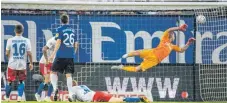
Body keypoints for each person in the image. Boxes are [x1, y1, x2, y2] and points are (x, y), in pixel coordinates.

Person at [111, 24, 195, 72]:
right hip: (152, 52)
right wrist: (179, 28)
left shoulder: (173, 46)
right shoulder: (165, 38)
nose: (172, 35)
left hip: (154, 60)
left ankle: (121, 67)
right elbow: (169, 29)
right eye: (172, 34)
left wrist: (188, 43)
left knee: (137, 69)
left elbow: (182, 50)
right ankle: (127, 55)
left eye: (173, 35)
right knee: (138, 52)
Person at [49, 13, 79, 101]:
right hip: (70, 56)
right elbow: (76, 44)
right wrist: (74, 53)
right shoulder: (73, 31)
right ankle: (70, 94)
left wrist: (52, 54)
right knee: (68, 75)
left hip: (60, 55)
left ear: (61, 21)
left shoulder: (59, 29)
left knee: (53, 72)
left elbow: (58, 42)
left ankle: (55, 89)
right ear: (68, 20)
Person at [5, 25, 33, 102]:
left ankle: (7, 98)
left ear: (14, 31)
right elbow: (29, 53)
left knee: (9, 81)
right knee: (21, 81)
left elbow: (7, 53)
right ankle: (20, 97)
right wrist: (31, 63)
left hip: (12, 64)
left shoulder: (10, 40)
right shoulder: (27, 40)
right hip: (22, 64)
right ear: (22, 31)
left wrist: (10, 58)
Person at [70, 81, 150, 103]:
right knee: (120, 100)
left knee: (120, 100)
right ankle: (140, 99)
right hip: (98, 94)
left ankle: (140, 99)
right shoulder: (83, 86)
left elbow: (72, 99)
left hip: (95, 97)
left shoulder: (72, 89)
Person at [35, 37, 56, 102]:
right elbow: (44, 49)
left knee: (53, 80)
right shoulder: (52, 41)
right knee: (47, 79)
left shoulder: (61, 42)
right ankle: (38, 94)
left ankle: (48, 97)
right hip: (44, 63)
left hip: (52, 63)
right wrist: (47, 60)